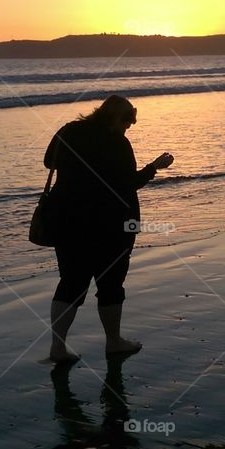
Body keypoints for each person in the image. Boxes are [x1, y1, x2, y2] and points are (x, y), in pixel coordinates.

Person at [43, 95, 174, 362]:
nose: (129, 127)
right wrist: (154, 167)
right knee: (111, 284)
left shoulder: (68, 130)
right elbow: (128, 184)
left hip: (67, 221)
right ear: (116, 118)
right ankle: (113, 342)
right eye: (127, 122)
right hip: (111, 225)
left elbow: (49, 163)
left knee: (71, 283)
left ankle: (57, 347)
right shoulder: (117, 143)